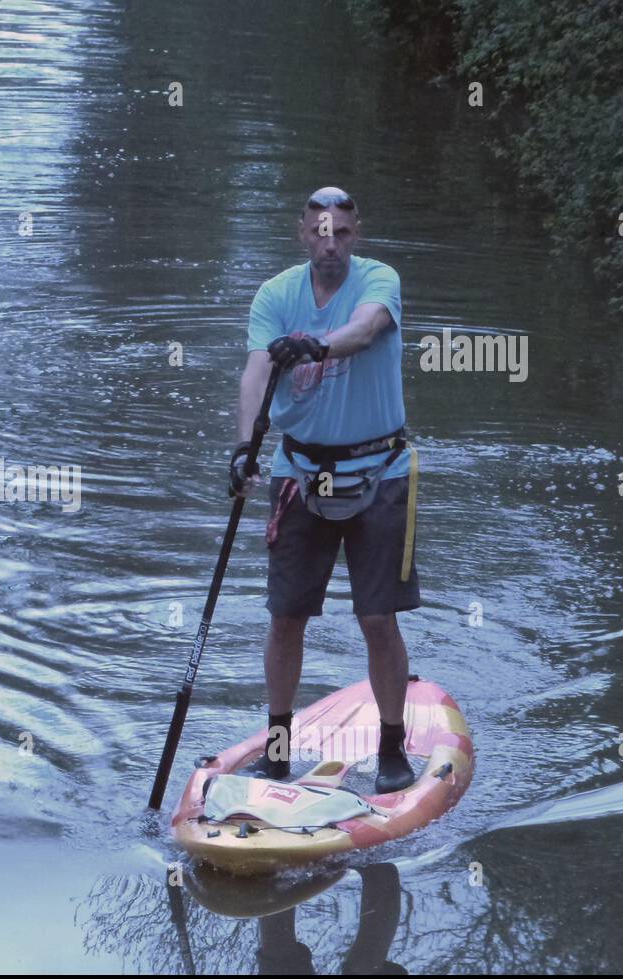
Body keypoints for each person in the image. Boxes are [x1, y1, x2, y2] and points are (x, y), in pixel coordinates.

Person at [229, 187, 419, 793]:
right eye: (318, 231)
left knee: (376, 617)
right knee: (286, 617)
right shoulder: (275, 295)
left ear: (354, 234)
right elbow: (258, 369)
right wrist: (243, 447)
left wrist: (315, 344)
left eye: (339, 231)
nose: (328, 241)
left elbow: (365, 331)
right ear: (302, 233)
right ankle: (278, 752)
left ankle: (393, 751)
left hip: (380, 471)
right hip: (298, 472)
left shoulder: (378, 280)